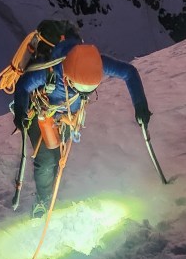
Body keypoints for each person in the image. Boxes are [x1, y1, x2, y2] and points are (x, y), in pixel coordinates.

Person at [12, 34, 152, 218]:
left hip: (70, 116)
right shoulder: (51, 70)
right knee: (47, 160)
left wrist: (140, 106)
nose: (84, 92)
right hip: (41, 112)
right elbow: (24, 85)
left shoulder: (96, 63)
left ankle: (47, 190)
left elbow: (130, 73)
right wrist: (21, 111)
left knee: (57, 154)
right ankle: (42, 199)